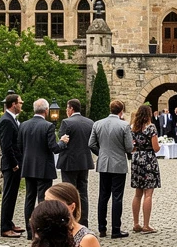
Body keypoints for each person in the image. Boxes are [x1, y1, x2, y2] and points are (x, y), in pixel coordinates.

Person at [88, 99, 134, 239]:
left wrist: (101, 154)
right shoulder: (124, 125)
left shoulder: (98, 123)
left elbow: (91, 143)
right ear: (121, 111)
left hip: (103, 163)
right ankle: (116, 229)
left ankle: (102, 228)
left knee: (103, 196)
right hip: (118, 164)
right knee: (117, 197)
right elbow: (129, 147)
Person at [18, 98, 64, 233]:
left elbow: (19, 146)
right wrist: (63, 142)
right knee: (43, 199)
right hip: (43, 167)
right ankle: (41, 229)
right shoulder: (48, 126)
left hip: (28, 166)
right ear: (46, 110)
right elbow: (54, 148)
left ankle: (29, 231)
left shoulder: (23, 125)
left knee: (29, 198)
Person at [55, 98, 94, 227]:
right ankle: (83, 221)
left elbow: (63, 144)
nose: (66, 111)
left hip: (69, 163)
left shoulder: (66, 122)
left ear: (71, 108)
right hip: (84, 162)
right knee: (83, 193)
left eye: (67, 108)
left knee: (68, 194)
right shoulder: (89, 122)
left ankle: (70, 222)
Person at [46, 182, 102, 247]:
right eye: (45, 203)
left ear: (72, 207)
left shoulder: (86, 239)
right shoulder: (49, 231)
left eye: (55, 204)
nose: (46, 208)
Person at [0, 92, 24, 238]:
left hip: (15, 163)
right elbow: (6, 146)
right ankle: (5, 228)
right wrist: (14, 163)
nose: (21, 105)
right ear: (13, 104)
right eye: (20, 102)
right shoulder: (6, 121)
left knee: (13, 195)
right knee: (8, 195)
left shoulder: (11, 119)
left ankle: (9, 223)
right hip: (11, 165)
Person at [130, 103, 160, 233]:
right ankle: (146, 225)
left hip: (137, 158)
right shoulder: (151, 127)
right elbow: (155, 147)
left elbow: (132, 146)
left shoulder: (133, 127)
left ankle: (136, 223)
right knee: (148, 193)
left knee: (137, 193)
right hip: (148, 159)